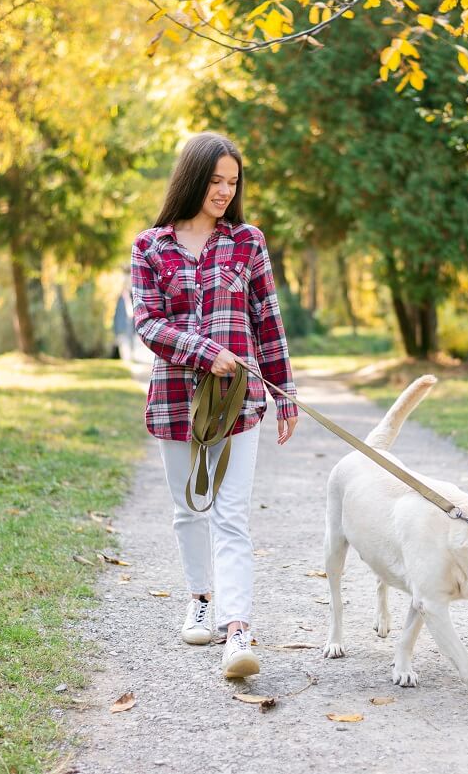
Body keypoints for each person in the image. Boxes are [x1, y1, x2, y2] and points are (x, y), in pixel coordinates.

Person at [128, 131, 300, 678]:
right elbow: (148, 323)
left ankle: (237, 627)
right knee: (188, 508)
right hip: (177, 398)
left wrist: (284, 390)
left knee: (231, 514)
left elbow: (267, 319)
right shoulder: (149, 247)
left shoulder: (248, 241)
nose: (225, 191)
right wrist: (206, 352)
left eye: (233, 182)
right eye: (216, 180)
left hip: (240, 401)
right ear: (192, 178)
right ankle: (200, 596)